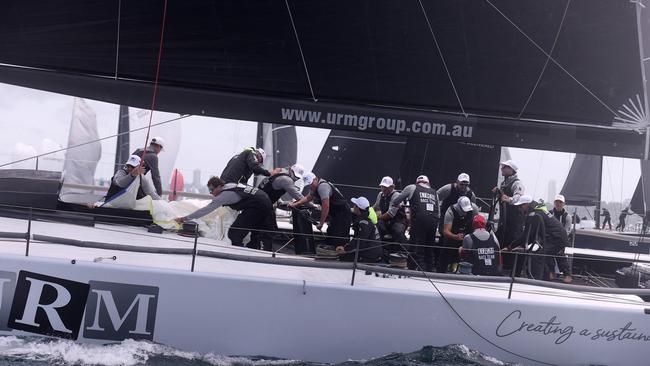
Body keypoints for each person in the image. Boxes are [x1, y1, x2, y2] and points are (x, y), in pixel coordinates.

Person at [175, 176, 276, 251]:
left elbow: (205, 210)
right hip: (264, 201)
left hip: (258, 205)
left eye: (211, 189)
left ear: (219, 186)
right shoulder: (230, 185)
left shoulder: (224, 196)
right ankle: (252, 251)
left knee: (234, 234)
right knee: (254, 233)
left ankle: (240, 256)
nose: (211, 193)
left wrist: (184, 218)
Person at [505, 195, 572, 283]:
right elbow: (531, 235)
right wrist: (521, 245)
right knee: (542, 254)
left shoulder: (534, 214)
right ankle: (548, 276)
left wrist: (510, 247)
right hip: (554, 237)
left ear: (526, 205)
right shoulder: (538, 211)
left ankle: (537, 281)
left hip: (557, 238)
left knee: (538, 256)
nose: (519, 209)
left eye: (520, 206)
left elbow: (526, 235)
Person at [390, 175, 440, 272]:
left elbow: (396, 201)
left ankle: (414, 270)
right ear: (428, 183)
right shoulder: (435, 192)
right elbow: (438, 212)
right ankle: (430, 270)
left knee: (416, 246)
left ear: (417, 182)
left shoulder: (412, 187)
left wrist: (399, 204)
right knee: (429, 248)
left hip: (419, 220)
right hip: (433, 221)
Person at [289, 174, 352, 249]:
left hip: (343, 213)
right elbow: (308, 198)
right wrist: (295, 204)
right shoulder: (315, 187)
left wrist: (321, 223)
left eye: (311, 184)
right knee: (331, 233)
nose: (310, 186)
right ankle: (329, 252)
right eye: (309, 185)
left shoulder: (322, 187)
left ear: (315, 179)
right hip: (335, 213)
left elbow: (326, 206)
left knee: (338, 236)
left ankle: (339, 253)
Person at [96, 155, 161, 208]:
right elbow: (120, 183)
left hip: (129, 209)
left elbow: (151, 194)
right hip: (111, 206)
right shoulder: (120, 173)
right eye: (128, 166)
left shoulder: (142, 178)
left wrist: (162, 203)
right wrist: (132, 175)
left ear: (139, 167)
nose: (129, 168)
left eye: (133, 166)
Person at [493, 160, 525, 269]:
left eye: (505, 167)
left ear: (511, 170)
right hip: (504, 221)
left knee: (513, 244)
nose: (502, 168)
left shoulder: (517, 183)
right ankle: (500, 266)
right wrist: (497, 191)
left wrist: (509, 199)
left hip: (514, 222)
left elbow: (518, 198)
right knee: (499, 242)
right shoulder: (503, 183)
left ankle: (514, 270)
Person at [438, 196, 479, 273]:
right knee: (445, 253)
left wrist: (473, 237)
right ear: (459, 206)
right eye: (464, 210)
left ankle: (470, 270)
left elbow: (477, 224)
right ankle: (440, 271)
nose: (466, 212)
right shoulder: (450, 211)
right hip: (452, 233)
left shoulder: (474, 209)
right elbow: (446, 231)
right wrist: (455, 236)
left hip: (467, 233)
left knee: (469, 253)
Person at [336, 197, 383, 263]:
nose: (353, 207)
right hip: (372, 253)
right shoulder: (365, 220)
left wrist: (345, 249)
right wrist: (348, 246)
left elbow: (360, 241)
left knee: (342, 256)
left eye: (355, 205)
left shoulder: (363, 223)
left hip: (370, 256)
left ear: (358, 208)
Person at [372, 176, 408, 253]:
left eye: (386, 187)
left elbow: (390, 214)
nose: (384, 189)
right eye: (382, 186)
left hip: (398, 221)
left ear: (392, 187)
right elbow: (375, 206)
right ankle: (379, 252)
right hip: (385, 221)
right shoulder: (380, 195)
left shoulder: (396, 195)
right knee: (377, 227)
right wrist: (367, 211)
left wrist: (377, 216)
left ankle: (406, 252)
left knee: (398, 232)